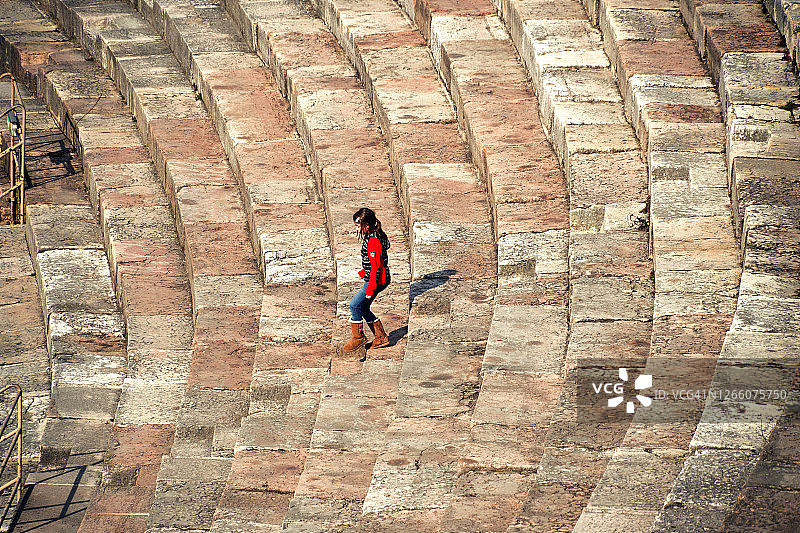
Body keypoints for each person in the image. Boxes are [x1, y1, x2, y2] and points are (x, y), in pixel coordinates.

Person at [343, 207, 391, 352]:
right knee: (363, 307)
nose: (356, 229)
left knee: (354, 305)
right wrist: (364, 270)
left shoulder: (373, 241)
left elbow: (376, 266)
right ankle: (380, 336)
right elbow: (375, 262)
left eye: (358, 226)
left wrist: (370, 288)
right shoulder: (373, 236)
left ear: (367, 226)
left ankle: (358, 338)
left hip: (376, 280)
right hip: (376, 278)